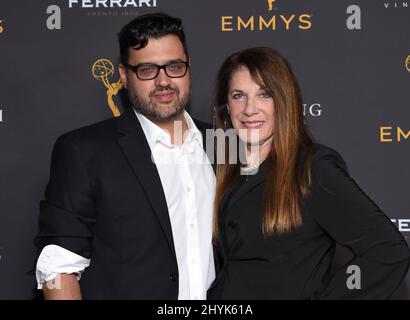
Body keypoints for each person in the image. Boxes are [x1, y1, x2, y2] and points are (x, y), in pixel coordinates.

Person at [34, 13, 216, 300]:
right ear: (123, 76)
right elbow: (59, 265)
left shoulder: (223, 143)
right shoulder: (84, 150)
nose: (163, 81)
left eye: (174, 67)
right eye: (146, 69)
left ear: (188, 67)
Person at [207, 47, 410, 299]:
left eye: (264, 94)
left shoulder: (313, 168)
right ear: (226, 106)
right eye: (238, 95)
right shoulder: (222, 169)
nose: (250, 109)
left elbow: (388, 251)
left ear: (283, 100)